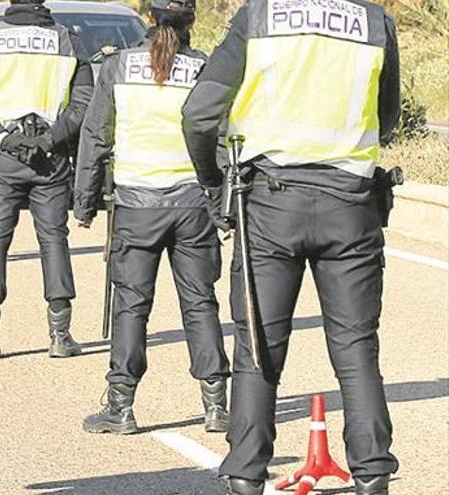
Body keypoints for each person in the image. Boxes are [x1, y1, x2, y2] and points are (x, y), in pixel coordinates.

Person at [181, 0, 401, 491]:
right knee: (356, 349)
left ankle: (246, 475)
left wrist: (213, 181)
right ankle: (372, 478)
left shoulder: (257, 15)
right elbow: (387, 119)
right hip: (352, 203)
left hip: (269, 204)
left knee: (257, 348)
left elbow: (198, 113)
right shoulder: (374, 21)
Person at [74, 0, 231, 436]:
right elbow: (219, 138)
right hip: (192, 206)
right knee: (200, 303)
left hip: (136, 207)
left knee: (131, 305)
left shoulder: (118, 66)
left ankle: (120, 407)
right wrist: (223, 206)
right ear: (192, 22)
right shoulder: (203, 69)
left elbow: (96, 135)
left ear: (148, 19)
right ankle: (217, 406)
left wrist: (84, 202)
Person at [0, 0, 92, 359]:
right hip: (52, 157)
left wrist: (3, 137)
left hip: (3, 157)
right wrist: (50, 138)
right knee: (54, 240)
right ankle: (60, 335)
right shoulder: (67, 40)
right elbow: (83, 102)